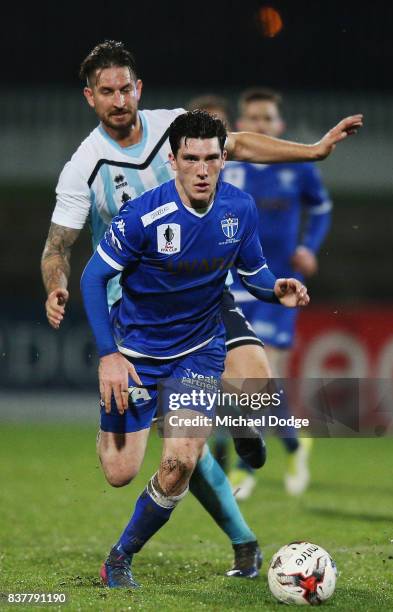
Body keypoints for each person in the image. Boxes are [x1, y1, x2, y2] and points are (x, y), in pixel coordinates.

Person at [40, 41, 361, 580]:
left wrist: (312, 151)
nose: (119, 99)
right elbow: (59, 247)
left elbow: (240, 144)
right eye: (107, 91)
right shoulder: (83, 167)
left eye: (126, 88)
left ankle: (238, 438)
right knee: (131, 466)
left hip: (203, 297)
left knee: (242, 397)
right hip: (135, 309)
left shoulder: (177, 128)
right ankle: (241, 531)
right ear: (89, 97)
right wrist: (56, 286)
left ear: (138, 89)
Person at [80, 109, 310, 588]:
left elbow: (253, 274)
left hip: (199, 350)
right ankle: (218, 415)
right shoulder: (144, 215)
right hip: (138, 353)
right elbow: (93, 276)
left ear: (223, 158)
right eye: (191, 158)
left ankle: (119, 559)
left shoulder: (239, 208)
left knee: (179, 462)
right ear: (174, 159)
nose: (202, 169)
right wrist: (109, 355)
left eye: (212, 158)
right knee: (119, 472)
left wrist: (276, 288)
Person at [223, 88, 333, 498]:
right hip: (236, 282)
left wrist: (309, 247)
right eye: (252, 118)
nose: (260, 125)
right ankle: (292, 441)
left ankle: (243, 468)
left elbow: (322, 206)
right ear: (241, 123)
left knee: (266, 371)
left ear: (279, 126)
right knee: (243, 380)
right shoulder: (227, 165)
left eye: (268, 119)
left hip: (282, 284)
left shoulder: (296, 165)